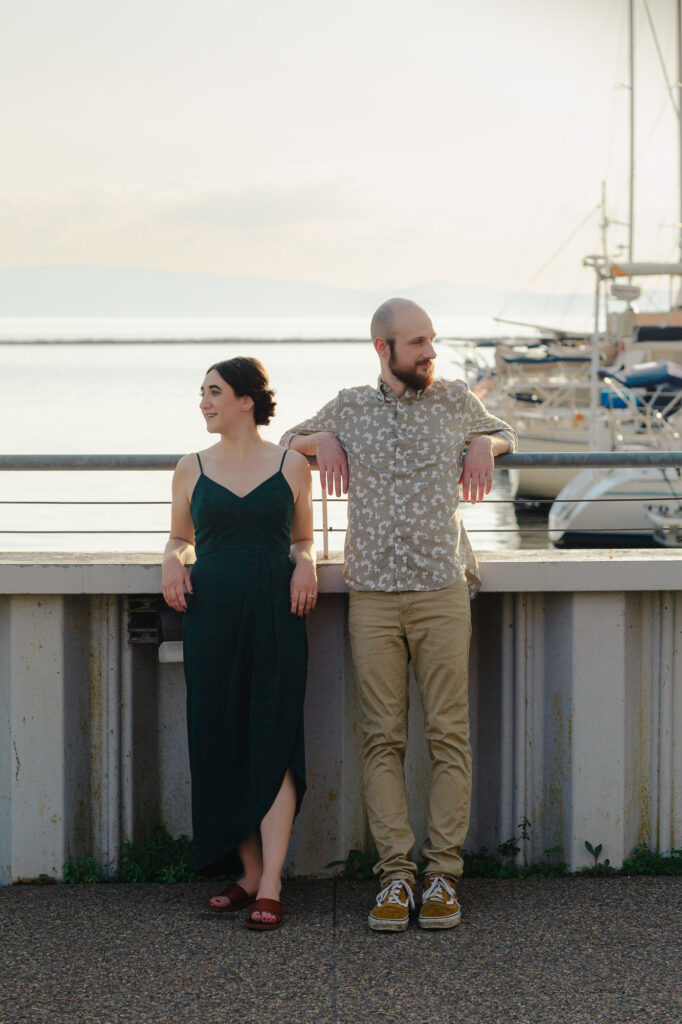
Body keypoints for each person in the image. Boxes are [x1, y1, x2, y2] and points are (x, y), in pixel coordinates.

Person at [280, 298, 516, 932]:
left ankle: (442, 875)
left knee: (449, 736)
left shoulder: (456, 398)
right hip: (374, 597)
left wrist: (484, 444)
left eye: (432, 341)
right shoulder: (350, 404)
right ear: (383, 349)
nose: (430, 353)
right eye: (417, 343)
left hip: (441, 591)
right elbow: (285, 441)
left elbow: (506, 431)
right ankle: (394, 877)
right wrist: (322, 438)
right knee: (381, 738)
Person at [163, 356, 316, 931]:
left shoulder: (292, 465)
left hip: (278, 611)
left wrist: (306, 566)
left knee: (273, 738)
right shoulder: (189, 466)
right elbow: (180, 536)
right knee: (221, 737)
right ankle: (249, 871)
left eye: (214, 392)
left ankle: (272, 880)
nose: (203, 402)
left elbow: (304, 540)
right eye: (201, 393)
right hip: (213, 615)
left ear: (246, 400)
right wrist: (170, 563)